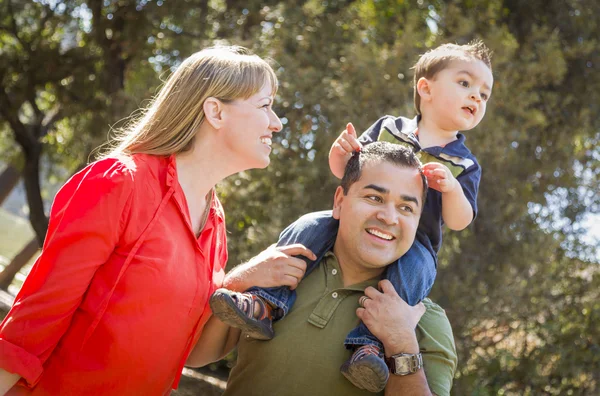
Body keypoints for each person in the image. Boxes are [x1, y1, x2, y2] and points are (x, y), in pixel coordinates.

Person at [0, 46, 316, 395]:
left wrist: (242, 281)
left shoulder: (215, 222)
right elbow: (36, 318)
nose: (277, 122)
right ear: (215, 111)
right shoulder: (121, 182)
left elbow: (193, 353)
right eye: (265, 105)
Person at [210, 40, 493, 392]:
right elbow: (346, 171)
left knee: (413, 275)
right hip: (325, 232)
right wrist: (339, 152)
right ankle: (267, 302)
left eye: (484, 93)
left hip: (417, 246)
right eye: (466, 84)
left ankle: (368, 346)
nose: (476, 97)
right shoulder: (388, 128)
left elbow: (459, 220)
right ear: (426, 88)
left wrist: (450, 189)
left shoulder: (464, 163)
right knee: (308, 225)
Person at [192, 142, 457, 395]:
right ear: (340, 201)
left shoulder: (423, 319)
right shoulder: (276, 273)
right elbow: (196, 356)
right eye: (374, 197)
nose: (389, 217)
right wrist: (237, 281)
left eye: (406, 207)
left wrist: (402, 344)